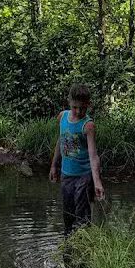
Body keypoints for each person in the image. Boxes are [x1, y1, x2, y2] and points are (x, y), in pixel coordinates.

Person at [49, 83, 105, 236]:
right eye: (75, 107)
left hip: (84, 177)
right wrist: (54, 165)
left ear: (88, 105)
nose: (79, 111)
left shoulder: (88, 125)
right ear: (69, 102)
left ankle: (83, 248)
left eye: (83, 108)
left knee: (82, 214)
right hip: (66, 175)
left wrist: (97, 182)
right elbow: (60, 141)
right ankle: (68, 247)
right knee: (68, 213)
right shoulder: (62, 117)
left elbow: (93, 156)